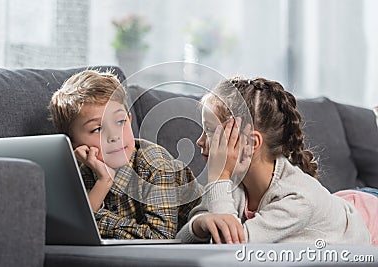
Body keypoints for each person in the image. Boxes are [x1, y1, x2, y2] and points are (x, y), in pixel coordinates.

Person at [177, 77, 378, 245]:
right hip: (339, 204)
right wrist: (200, 224)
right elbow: (182, 241)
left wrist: (218, 178)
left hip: (370, 221)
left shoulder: (300, 199)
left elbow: (232, 252)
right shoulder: (234, 183)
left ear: (251, 143)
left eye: (211, 132)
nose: (200, 141)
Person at [48, 69, 202, 239]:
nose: (114, 136)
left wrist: (97, 219)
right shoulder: (78, 173)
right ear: (73, 143)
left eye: (120, 122)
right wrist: (103, 182)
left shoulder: (155, 164)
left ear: (129, 120)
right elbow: (70, 234)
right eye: (97, 129)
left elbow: (160, 238)